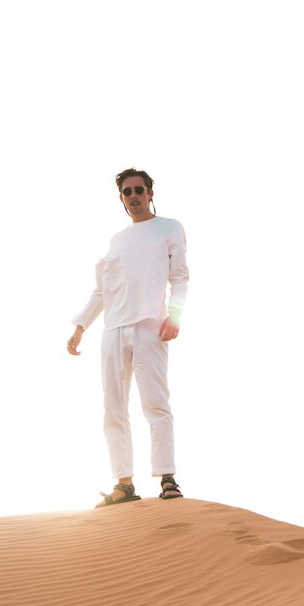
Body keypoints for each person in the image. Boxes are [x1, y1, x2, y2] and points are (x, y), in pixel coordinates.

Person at [67, 168, 189, 506]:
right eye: (127, 192)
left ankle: (167, 478)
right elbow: (100, 291)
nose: (133, 196)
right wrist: (80, 327)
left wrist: (175, 316)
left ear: (150, 192)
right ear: (120, 198)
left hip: (150, 326)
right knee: (113, 408)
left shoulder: (169, 228)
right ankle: (124, 484)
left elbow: (179, 278)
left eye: (139, 190)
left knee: (156, 404)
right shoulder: (116, 242)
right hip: (113, 331)